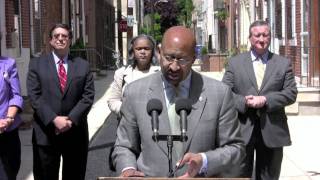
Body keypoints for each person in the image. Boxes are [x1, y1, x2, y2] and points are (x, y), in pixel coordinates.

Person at [111, 26, 244, 178]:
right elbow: (124, 145)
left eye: (182, 60)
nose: (174, 67)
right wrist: (127, 169)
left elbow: (235, 148)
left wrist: (205, 160)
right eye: (168, 58)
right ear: (159, 52)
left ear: (194, 57)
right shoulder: (135, 92)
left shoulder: (219, 94)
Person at [222, 20, 298, 180]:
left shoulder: (283, 64)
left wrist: (266, 99)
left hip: (273, 131)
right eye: (257, 35)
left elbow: (291, 93)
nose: (262, 39)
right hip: (242, 131)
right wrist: (244, 102)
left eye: (266, 35)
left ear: (270, 37)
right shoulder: (235, 63)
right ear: (250, 38)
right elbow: (224, 93)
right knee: (240, 176)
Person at [27, 23, 94, 180]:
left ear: (70, 40)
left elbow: (88, 96)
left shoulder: (82, 65)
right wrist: (54, 119)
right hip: (46, 133)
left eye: (64, 36)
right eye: (56, 36)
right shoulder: (36, 64)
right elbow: (34, 96)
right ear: (50, 41)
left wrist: (70, 120)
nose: (60, 39)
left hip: (75, 133)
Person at [106, 34, 159, 117]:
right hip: (128, 125)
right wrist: (125, 111)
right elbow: (113, 100)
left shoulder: (160, 73)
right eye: (138, 49)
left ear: (152, 51)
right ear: (133, 51)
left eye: (146, 49)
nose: (142, 52)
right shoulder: (121, 74)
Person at [0, 33, 23, 180]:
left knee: (9, 173)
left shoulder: (8, 64)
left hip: (7, 131)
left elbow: (16, 95)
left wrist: (8, 118)